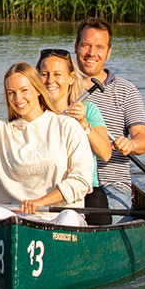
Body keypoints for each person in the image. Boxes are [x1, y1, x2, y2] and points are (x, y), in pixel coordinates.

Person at [0, 33, 92, 226]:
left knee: (70, 217)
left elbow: (81, 181)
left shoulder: (67, 126)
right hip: (14, 219)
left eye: (24, 91)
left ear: (38, 90)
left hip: (56, 215)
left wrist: (40, 203)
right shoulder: (0, 132)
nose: (18, 99)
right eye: (11, 93)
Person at [73, 17, 145, 210]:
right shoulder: (59, 86)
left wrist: (131, 144)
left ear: (108, 52)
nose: (91, 53)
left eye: (99, 47)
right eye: (86, 45)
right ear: (76, 46)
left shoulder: (126, 91)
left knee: (106, 218)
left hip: (111, 185)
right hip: (66, 181)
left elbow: (144, 140)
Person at [36, 47, 117, 224]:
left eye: (57, 74)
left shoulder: (88, 111)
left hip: (84, 189)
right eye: (44, 74)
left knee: (98, 201)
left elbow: (105, 154)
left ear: (71, 78)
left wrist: (83, 124)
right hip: (39, 185)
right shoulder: (30, 113)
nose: (50, 81)